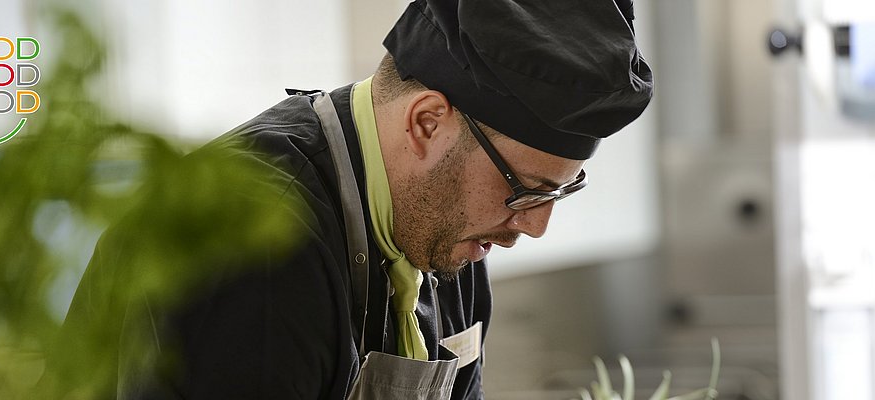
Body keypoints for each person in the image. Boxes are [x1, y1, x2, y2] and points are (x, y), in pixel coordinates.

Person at [59, 0, 653, 398]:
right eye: (524, 190)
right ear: (426, 122)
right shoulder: (254, 238)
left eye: (559, 190)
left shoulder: (448, 234)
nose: (536, 225)